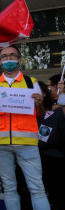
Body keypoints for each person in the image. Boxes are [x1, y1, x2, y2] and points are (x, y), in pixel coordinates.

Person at [0, 45, 50, 210]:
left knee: (37, 188)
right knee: (9, 188)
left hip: (27, 143)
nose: (8, 59)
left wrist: (40, 104)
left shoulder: (31, 82)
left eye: (12, 56)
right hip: (0, 143)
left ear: (19, 60)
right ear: (0, 62)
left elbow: (40, 115)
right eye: (4, 56)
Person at [36, 81, 65, 209]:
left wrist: (62, 94)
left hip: (53, 162)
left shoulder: (55, 112)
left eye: (38, 91)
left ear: (45, 94)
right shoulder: (25, 114)